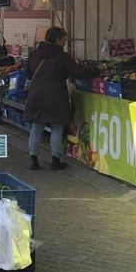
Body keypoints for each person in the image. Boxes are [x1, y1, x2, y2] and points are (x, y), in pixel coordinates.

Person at [23, 27, 98, 170]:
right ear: (57, 39)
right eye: (63, 39)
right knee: (56, 127)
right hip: (56, 96)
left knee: (36, 127)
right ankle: (55, 160)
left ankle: (33, 159)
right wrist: (97, 71)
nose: (64, 42)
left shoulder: (34, 54)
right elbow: (78, 73)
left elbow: (27, 73)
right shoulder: (62, 57)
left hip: (36, 95)